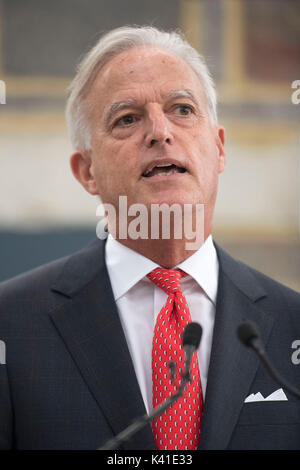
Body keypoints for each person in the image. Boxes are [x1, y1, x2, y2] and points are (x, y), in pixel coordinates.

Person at [1, 25, 300, 451]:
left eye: (182, 109)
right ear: (87, 172)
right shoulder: (10, 327)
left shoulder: (292, 328)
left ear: (218, 149)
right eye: (127, 119)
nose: (160, 131)